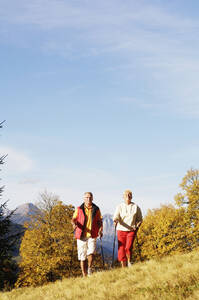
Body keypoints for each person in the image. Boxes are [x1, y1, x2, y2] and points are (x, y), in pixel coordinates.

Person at [71, 192, 103, 276]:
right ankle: (84, 274)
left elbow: (100, 221)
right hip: (81, 235)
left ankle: (89, 269)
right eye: (86, 197)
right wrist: (74, 224)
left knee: (91, 252)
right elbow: (73, 219)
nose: (88, 199)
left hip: (92, 234)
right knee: (82, 256)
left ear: (92, 198)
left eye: (90, 197)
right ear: (84, 198)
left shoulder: (96, 209)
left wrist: (100, 230)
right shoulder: (79, 209)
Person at [113, 190, 142, 267]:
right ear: (123, 197)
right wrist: (115, 220)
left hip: (131, 230)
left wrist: (137, 226)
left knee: (128, 247)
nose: (128, 196)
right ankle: (123, 266)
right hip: (121, 229)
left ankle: (129, 262)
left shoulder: (136, 207)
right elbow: (116, 216)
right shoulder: (119, 206)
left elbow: (140, 219)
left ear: (131, 196)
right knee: (121, 249)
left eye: (129, 195)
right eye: (126, 195)